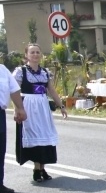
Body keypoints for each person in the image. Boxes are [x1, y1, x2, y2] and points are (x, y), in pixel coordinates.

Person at [14, 43, 67, 183]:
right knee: (33, 135)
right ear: (26, 55)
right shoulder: (21, 72)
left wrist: (61, 106)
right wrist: (17, 109)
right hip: (28, 106)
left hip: (42, 106)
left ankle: (41, 168)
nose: (35, 55)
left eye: (37, 52)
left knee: (44, 135)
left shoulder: (44, 72)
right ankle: (37, 169)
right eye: (32, 52)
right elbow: (15, 92)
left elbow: (52, 90)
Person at [0, 64, 27, 193]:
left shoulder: (2, 70)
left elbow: (14, 89)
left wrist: (20, 108)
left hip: (0, 113)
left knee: (0, 151)